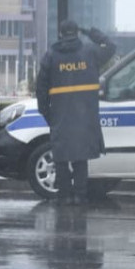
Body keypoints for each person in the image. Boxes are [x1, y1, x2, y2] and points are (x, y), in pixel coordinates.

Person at [36, 19, 115, 204]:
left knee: (61, 157)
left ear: (61, 34)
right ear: (76, 32)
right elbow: (111, 46)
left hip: (59, 113)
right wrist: (90, 31)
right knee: (81, 157)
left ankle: (64, 196)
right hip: (84, 114)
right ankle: (80, 195)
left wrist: (47, 114)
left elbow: (41, 88)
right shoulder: (90, 51)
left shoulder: (51, 55)